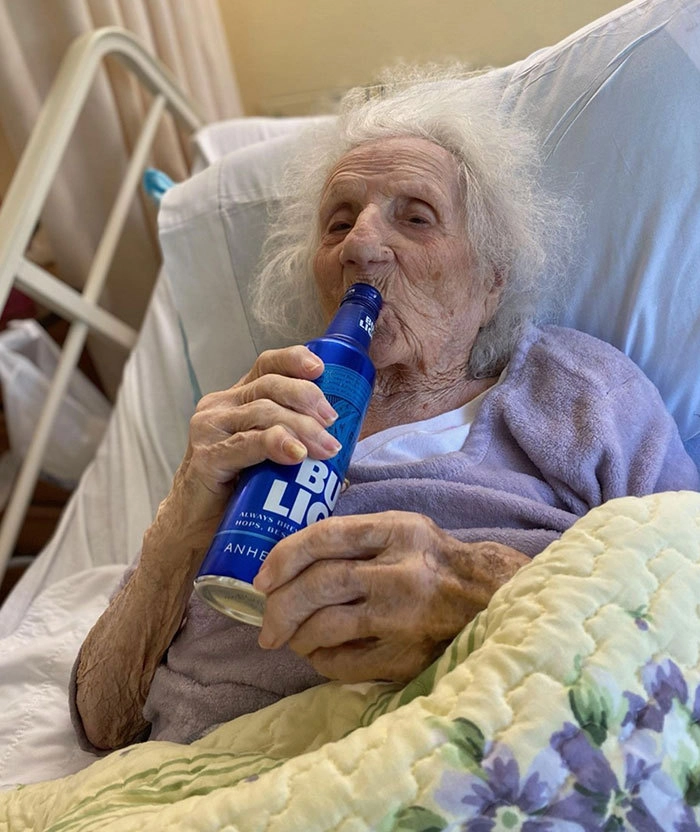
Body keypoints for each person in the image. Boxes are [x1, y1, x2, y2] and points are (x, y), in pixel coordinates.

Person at [70, 73, 700, 752]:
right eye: (338, 223)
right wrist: (180, 522)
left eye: (416, 217)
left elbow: (685, 607)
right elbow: (103, 721)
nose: (359, 244)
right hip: (206, 774)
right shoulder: (257, 416)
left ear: (490, 281)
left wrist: (483, 595)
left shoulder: (574, 391)